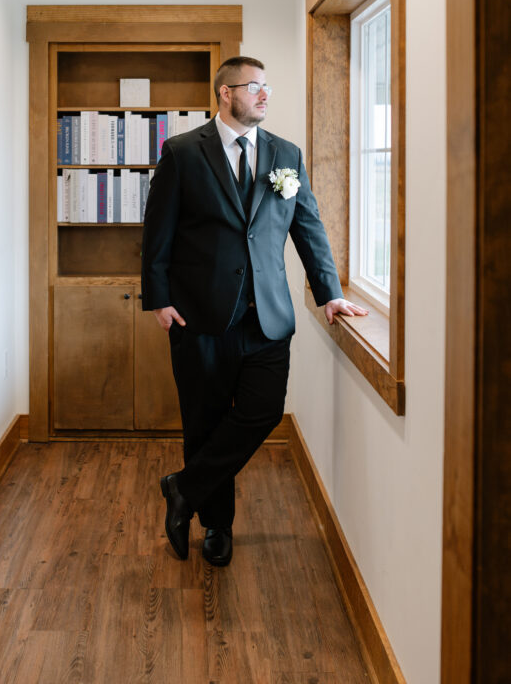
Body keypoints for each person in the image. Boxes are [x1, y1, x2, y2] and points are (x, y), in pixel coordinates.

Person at [141, 56, 367, 566]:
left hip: (268, 318)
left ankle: (184, 488)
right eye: (253, 88)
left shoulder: (286, 154)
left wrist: (328, 291)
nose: (264, 96)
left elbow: (307, 226)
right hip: (198, 317)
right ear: (225, 93)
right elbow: (158, 231)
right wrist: (158, 297)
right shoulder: (182, 153)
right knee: (204, 422)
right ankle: (218, 527)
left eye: (267, 87)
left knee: (262, 412)